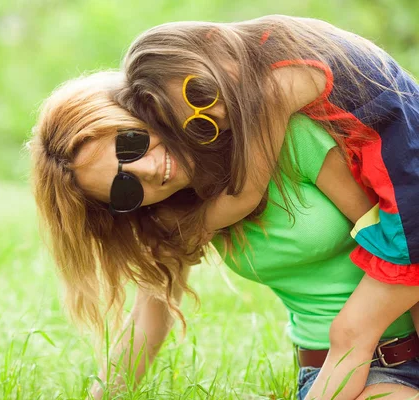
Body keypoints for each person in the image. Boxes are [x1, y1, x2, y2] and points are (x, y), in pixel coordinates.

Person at [29, 71, 419, 400]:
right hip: (351, 375)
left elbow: (407, 243)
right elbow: (148, 322)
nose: (148, 169)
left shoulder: (286, 134)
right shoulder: (177, 218)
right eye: (124, 188)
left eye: (130, 143)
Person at [117, 15, 419, 399]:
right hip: (404, 196)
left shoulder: (273, 87)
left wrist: (188, 227)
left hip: (410, 204)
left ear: (212, 42)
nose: (219, 115)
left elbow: (245, 195)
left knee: (350, 333)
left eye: (201, 94)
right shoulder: (282, 43)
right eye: (200, 126)